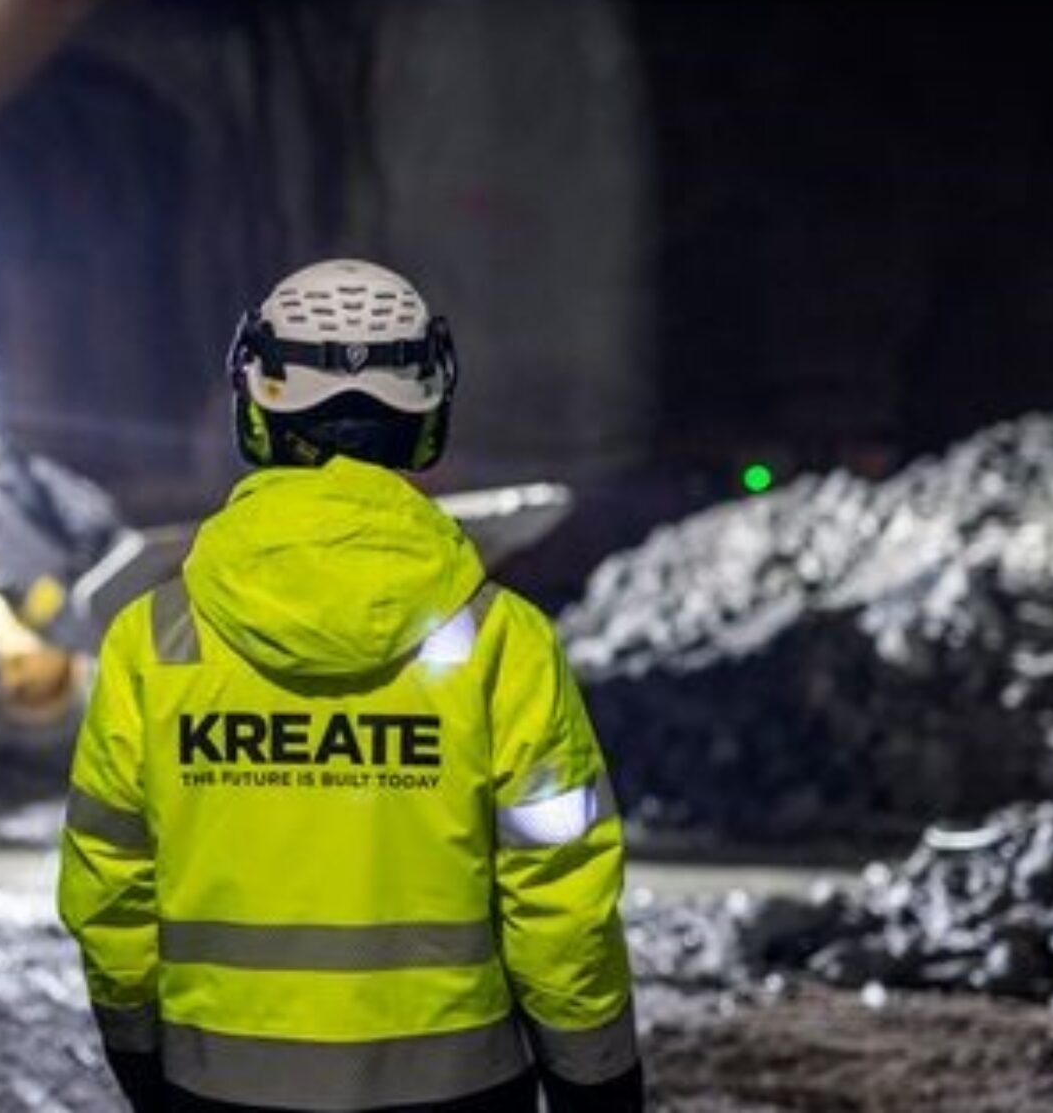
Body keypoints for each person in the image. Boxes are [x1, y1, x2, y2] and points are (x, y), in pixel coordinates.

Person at [58, 259, 645, 1112]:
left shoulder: (155, 641)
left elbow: (111, 885)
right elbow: (562, 896)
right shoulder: (502, 643)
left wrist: (140, 1056)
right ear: (426, 412)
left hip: (218, 1088)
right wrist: (598, 1083)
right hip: (460, 1090)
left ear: (254, 404)